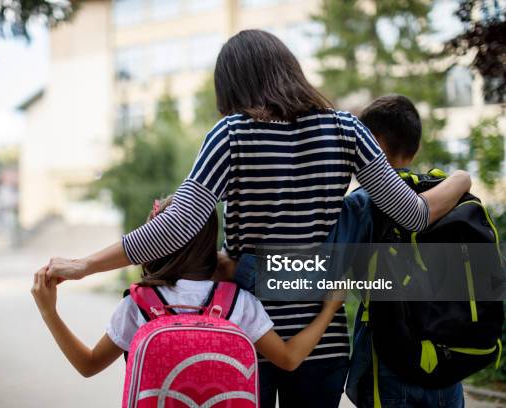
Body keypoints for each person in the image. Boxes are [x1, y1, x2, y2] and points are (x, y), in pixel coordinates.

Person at [44, 30, 471, 407]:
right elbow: (414, 215)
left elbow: (176, 226)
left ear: (233, 86)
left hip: (245, 333)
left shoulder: (231, 134)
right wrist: (460, 179)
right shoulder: (346, 130)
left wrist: (84, 264)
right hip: (323, 338)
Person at [31, 196, 344, 383]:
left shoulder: (138, 304)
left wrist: (49, 311)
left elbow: (88, 366)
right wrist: (329, 308)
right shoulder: (237, 302)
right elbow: (289, 359)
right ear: (210, 243)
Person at [333, 94, 465, 407]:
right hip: (446, 363)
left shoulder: (361, 203)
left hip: (387, 363)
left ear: (370, 144)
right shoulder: (446, 195)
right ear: (415, 147)